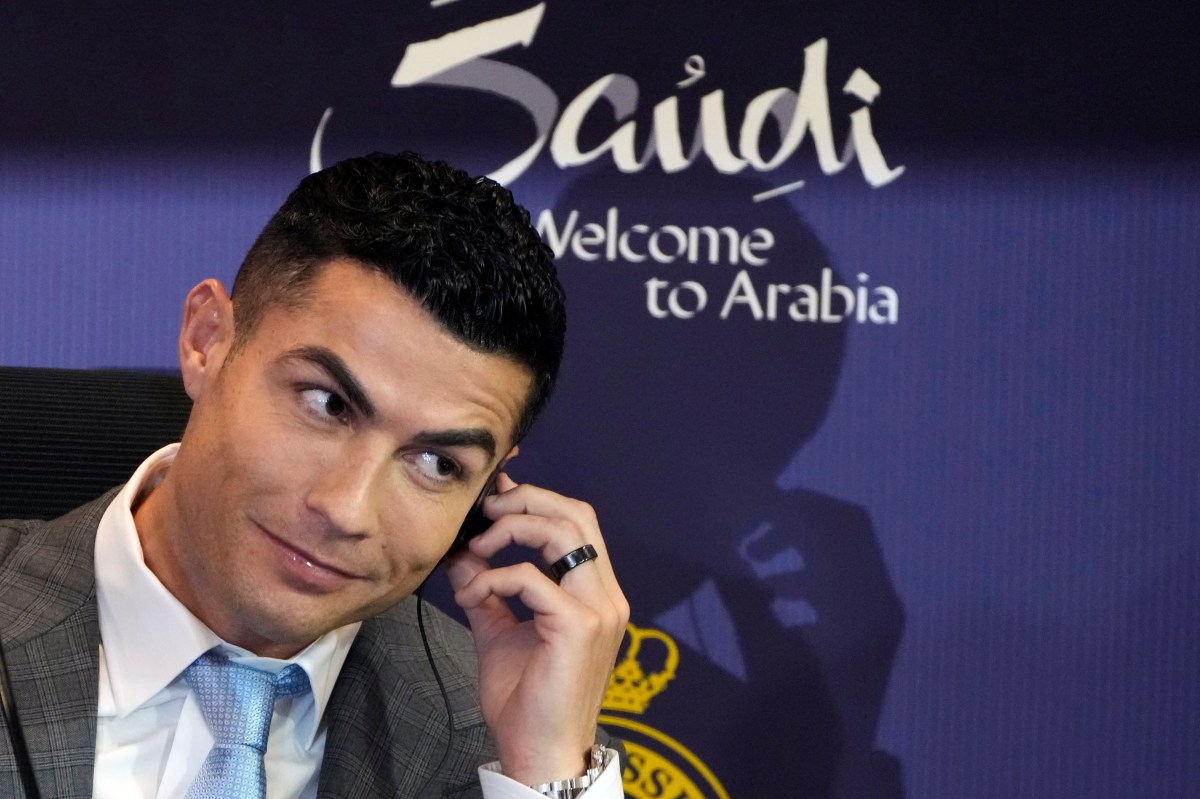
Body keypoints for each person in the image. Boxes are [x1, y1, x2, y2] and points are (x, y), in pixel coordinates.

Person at [0, 152, 629, 798]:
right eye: (327, 404)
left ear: (488, 490)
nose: (347, 508)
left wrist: (548, 767)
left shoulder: (507, 744)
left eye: (437, 463)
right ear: (206, 339)